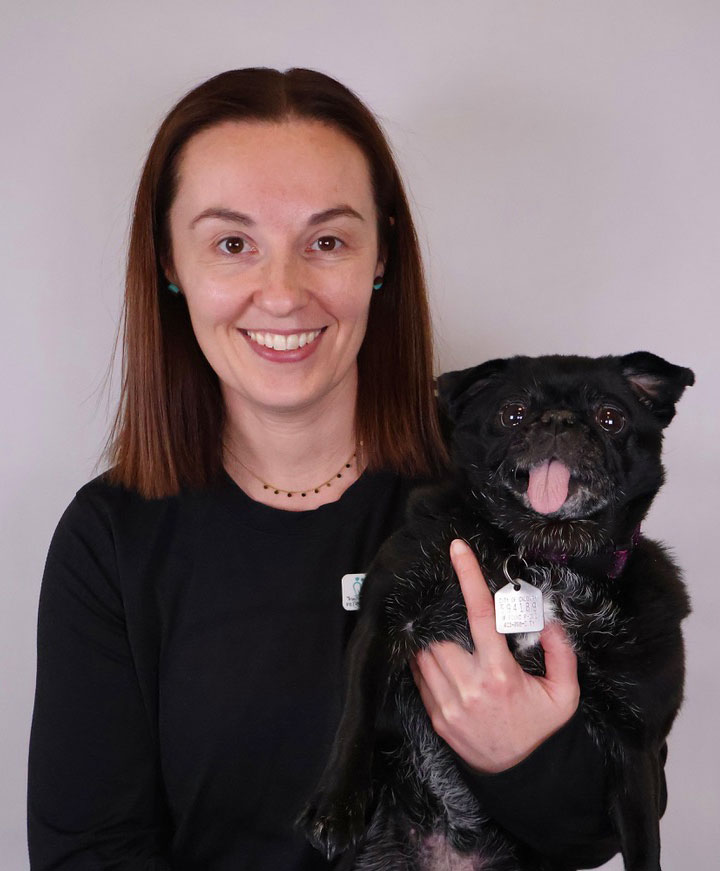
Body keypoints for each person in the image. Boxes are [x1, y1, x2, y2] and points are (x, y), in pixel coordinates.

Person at [27, 68, 629, 870]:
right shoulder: (110, 539)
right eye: (233, 244)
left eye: (327, 242)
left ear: (381, 256)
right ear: (171, 263)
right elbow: (88, 853)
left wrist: (522, 756)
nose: (282, 293)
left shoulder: (519, 493)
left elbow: (603, 825)